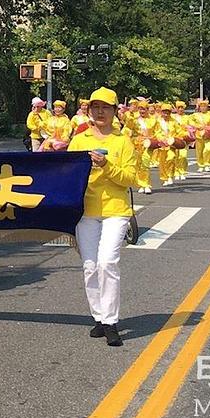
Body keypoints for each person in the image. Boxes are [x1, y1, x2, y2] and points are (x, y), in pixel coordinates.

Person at [67, 86, 137, 347]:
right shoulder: (79, 140)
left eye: (105, 107)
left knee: (108, 262)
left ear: (114, 111)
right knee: (90, 266)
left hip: (115, 210)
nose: (100, 112)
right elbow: (67, 174)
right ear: (88, 110)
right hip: (86, 210)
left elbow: (131, 178)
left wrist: (107, 167)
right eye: (95, 107)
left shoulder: (123, 141)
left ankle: (111, 321)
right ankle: (98, 316)